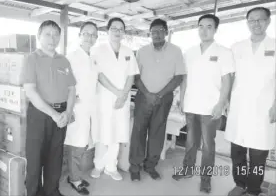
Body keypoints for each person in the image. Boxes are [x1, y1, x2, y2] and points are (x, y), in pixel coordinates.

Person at [172, 14, 235, 193]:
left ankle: (205, 179)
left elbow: (227, 80)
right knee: (190, 142)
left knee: (208, 145)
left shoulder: (224, 52)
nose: (204, 30)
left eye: (209, 26)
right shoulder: (189, 52)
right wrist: (181, 98)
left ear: (215, 29)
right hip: (191, 105)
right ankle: (187, 169)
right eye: (201, 26)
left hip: (211, 107)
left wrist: (221, 104)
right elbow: (184, 78)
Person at [225, 7, 275, 196]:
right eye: (252, 20)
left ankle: (253, 189)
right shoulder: (237, 47)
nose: (256, 23)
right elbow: (229, 77)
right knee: (237, 151)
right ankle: (239, 184)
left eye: (260, 19)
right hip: (238, 107)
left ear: (268, 21)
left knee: (258, 154)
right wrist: (227, 102)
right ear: (247, 23)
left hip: (264, 108)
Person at [23, 20, 76, 196]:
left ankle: (52, 190)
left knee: (55, 156)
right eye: (47, 34)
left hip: (61, 115)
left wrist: (67, 113)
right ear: (39, 36)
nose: (52, 38)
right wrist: (54, 114)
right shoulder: (32, 59)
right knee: (35, 158)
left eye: (56, 34)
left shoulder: (64, 61)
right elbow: (30, 91)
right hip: (39, 114)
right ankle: (33, 192)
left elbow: (71, 89)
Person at [129, 19, 186, 181]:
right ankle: (135, 167)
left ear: (166, 32)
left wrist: (159, 95)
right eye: (153, 31)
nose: (157, 34)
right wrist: (148, 94)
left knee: (157, 133)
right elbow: (136, 76)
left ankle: (150, 166)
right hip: (143, 97)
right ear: (150, 33)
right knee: (138, 132)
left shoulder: (176, 51)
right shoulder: (142, 51)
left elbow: (179, 77)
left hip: (164, 98)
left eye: (160, 30)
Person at [90, 17, 140, 181]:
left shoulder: (128, 52)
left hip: (122, 99)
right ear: (107, 31)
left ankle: (111, 167)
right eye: (114, 28)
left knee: (118, 133)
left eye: (121, 29)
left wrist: (124, 95)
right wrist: (118, 93)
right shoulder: (98, 50)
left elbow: (131, 75)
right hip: (104, 98)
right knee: (103, 132)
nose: (117, 32)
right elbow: (99, 75)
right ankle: (98, 165)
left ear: (124, 33)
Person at [64, 21, 99, 195]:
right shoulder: (71, 56)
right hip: (76, 107)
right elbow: (63, 81)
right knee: (76, 144)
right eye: (86, 33)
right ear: (80, 35)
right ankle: (74, 179)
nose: (89, 37)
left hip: (90, 107)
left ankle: (74, 175)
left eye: (93, 34)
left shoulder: (93, 57)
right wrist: (71, 100)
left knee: (83, 142)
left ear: (96, 38)